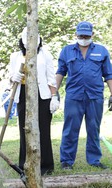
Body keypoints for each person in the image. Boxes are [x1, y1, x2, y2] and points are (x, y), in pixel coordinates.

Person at [57, 21, 112, 170]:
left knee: (94, 129)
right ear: (75, 34)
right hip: (74, 96)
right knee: (70, 129)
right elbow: (60, 72)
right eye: (80, 35)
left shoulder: (102, 51)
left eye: (86, 35)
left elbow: (108, 74)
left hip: (95, 96)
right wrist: (54, 93)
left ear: (92, 35)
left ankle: (94, 160)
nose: (83, 38)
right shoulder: (67, 51)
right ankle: (67, 161)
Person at [9, 27, 59, 175]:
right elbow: (10, 76)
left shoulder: (46, 55)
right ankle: (25, 164)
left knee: (43, 130)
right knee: (25, 130)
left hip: (41, 94)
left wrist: (54, 96)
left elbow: (51, 78)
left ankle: (45, 165)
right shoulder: (15, 56)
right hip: (23, 93)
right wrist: (14, 77)